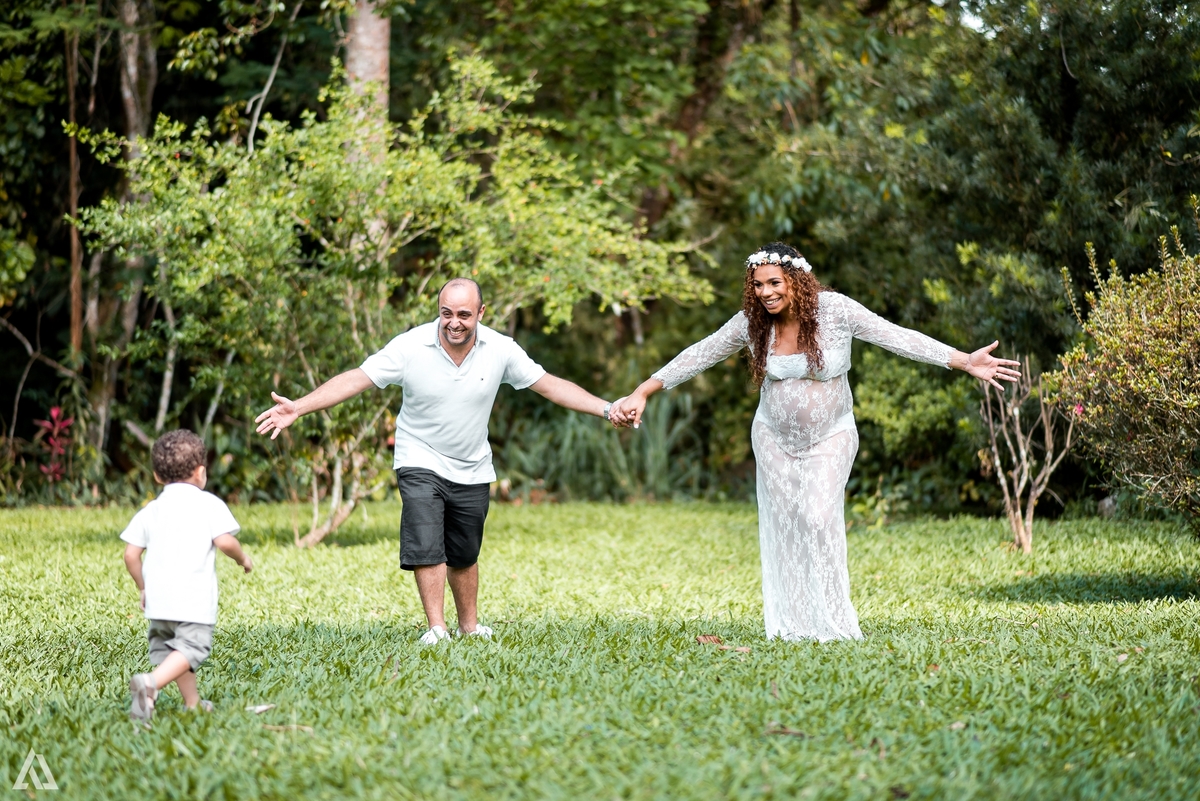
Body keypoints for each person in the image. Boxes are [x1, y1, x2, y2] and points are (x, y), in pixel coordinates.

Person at [611, 243, 1020, 642]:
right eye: (757, 285)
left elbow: (895, 336)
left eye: (774, 282)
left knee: (817, 515)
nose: (766, 293)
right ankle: (794, 626)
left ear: (796, 279)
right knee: (786, 526)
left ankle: (833, 623)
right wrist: (645, 389)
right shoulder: (752, 323)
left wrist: (964, 360)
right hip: (772, 436)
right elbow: (701, 353)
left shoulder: (835, 312)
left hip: (831, 433)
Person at [254, 278, 624, 644]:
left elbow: (551, 386)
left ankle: (469, 626)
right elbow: (357, 379)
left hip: (473, 464)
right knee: (427, 539)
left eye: (464, 314)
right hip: (419, 456)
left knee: (464, 552)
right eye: (446, 313)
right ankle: (437, 629)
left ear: (481, 312)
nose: (454, 322)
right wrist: (298, 407)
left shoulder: (501, 349)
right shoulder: (411, 346)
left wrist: (607, 409)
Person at [122, 429, 253, 721]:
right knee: (191, 649)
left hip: (159, 603)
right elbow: (225, 541)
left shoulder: (151, 510)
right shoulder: (208, 504)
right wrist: (243, 558)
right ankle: (150, 685)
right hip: (192, 601)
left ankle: (192, 703)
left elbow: (131, 555)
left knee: (174, 654)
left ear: (157, 476)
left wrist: (143, 588)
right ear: (201, 472)